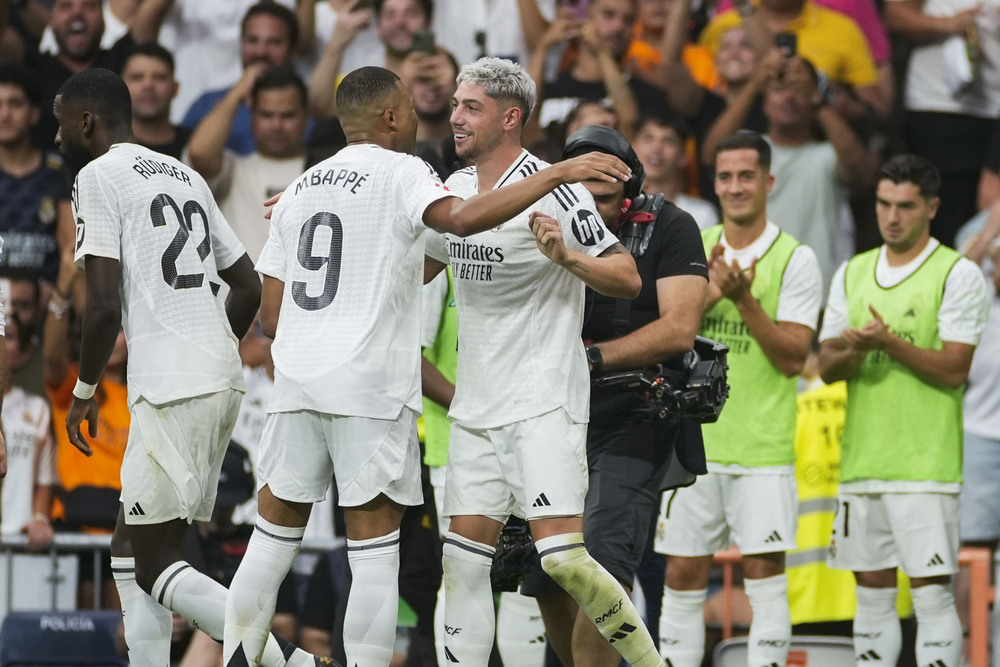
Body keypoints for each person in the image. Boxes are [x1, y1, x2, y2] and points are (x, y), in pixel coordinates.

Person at [221, 64, 634, 667]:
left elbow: (276, 315)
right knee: (375, 554)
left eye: (469, 107)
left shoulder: (304, 185)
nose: (432, 119)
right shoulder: (408, 172)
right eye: (417, 108)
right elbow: (462, 222)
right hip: (369, 388)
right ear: (390, 116)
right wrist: (563, 170)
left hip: (297, 384)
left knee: (269, 542)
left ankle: (239, 657)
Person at [54, 67, 321, 667]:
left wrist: (86, 389)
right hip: (215, 377)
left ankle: (289, 662)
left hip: (171, 388)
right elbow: (247, 285)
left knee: (155, 565)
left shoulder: (97, 176)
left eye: (61, 125)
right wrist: (213, 348)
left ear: (86, 123)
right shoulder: (183, 173)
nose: (57, 139)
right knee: (132, 543)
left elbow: (99, 307)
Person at [421, 56, 670, 667]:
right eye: (455, 104)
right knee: (462, 561)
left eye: (469, 106)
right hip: (476, 409)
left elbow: (628, 277)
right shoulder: (452, 193)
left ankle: (649, 663)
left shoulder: (558, 191)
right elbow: (417, 270)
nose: (455, 117)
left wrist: (568, 260)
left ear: (510, 117)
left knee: (561, 560)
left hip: (543, 403)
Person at [521, 124, 708, 667]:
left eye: (604, 198)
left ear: (631, 188)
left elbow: (678, 330)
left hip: (635, 413)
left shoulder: (672, 226)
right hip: (552, 414)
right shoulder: (538, 218)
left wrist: (591, 358)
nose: (593, 213)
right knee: (547, 574)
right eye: (581, 197)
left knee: (601, 563)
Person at [653, 130, 823, 667]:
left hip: (763, 447)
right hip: (692, 445)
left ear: (768, 181)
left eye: (746, 175)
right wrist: (712, 293)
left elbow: (795, 357)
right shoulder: (689, 245)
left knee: (765, 576)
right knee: (681, 573)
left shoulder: (796, 259)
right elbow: (663, 332)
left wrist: (745, 301)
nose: (735, 186)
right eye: (725, 176)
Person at [817, 154, 990, 667]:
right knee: (870, 597)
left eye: (906, 206)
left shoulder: (957, 273)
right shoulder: (852, 271)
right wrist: (851, 348)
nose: (892, 217)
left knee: (932, 597)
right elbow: (827, 367)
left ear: (932, 207)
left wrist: (889, 343)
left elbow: (955, 368)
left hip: (925, 467)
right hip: (862, 464)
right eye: (884, 204)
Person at [188, 66, 309, 263]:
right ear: (251, 115)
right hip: (244, 292)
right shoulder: (233, 168)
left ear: (306, 115)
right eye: (267, 115)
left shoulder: (323, 172)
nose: (276, 125)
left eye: (287, 115)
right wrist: (237, 93)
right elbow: (199, 153)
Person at [181, 2, 299, 155]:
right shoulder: (207, 104)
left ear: (293, 49)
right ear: (241, 43)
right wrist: (237, 94)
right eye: (252, 40)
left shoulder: (306, 106)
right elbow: (192, 159)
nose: (261, 51)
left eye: (274, 42)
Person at [121, 42, 192, 160]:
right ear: (121, 87)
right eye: (137, 77)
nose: (148, 85)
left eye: (159, 77)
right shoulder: (104, 146)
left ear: (175, 88)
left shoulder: (194, 147)